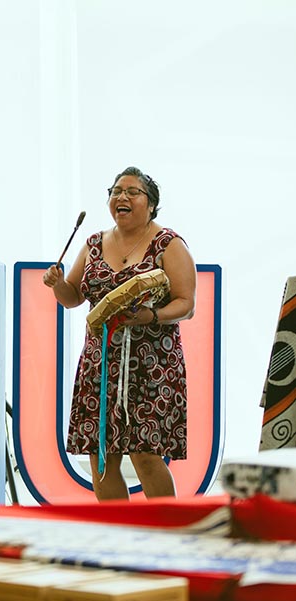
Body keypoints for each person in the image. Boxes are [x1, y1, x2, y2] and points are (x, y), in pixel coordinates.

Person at [42, 166, 196, 500]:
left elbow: (186, 304)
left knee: (146, 456)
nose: (121, 197)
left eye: (132, 192)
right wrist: (58, 284)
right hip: (100, 366)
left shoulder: (168, 244)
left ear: (151, 204)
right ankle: (118, 529)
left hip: (152, 367)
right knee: (101, 457)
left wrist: (151, 316)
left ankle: (167, 527)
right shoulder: (93, 244)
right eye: (116, 191)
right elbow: (72, 298)